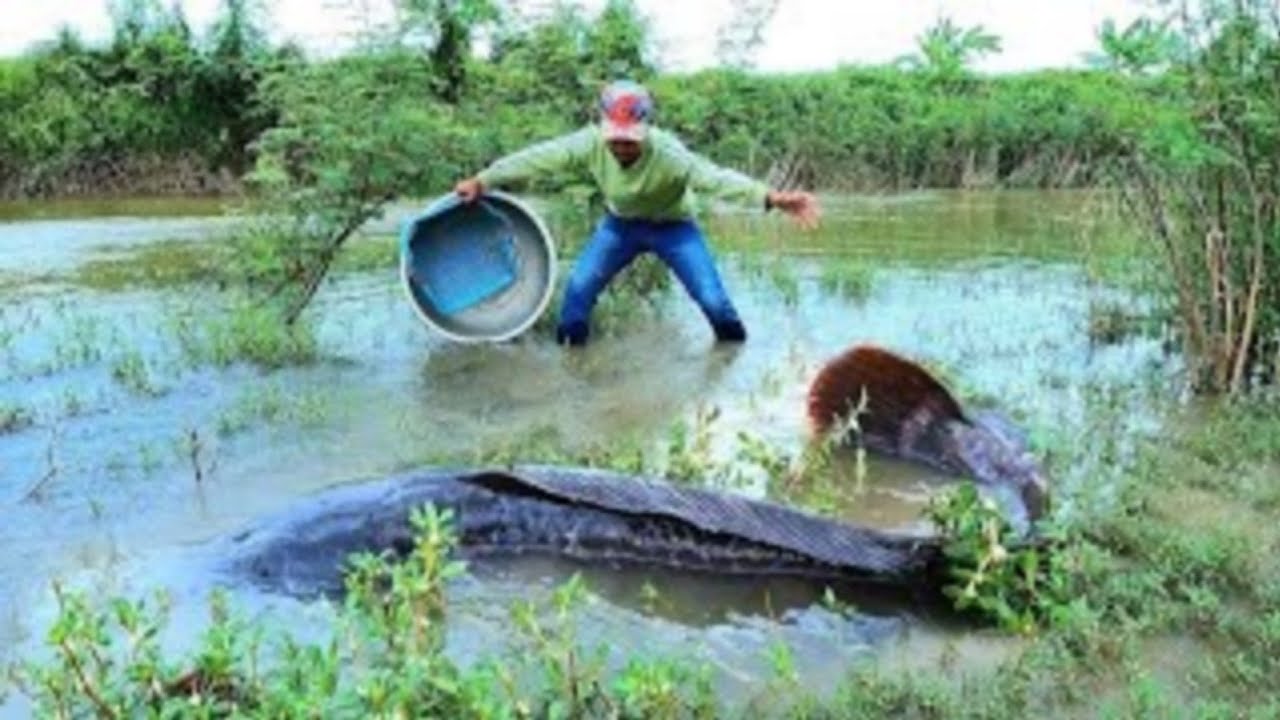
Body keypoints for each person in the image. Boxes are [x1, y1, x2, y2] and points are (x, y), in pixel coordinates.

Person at [453, 80, 820, 347]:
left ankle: (732, 357)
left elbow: (713, 178)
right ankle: (572, 364)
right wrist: (485, 180)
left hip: (675, 228)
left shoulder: (669, 154)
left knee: (713, 301)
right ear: (603, 128)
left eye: (631, 139)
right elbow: (539, 158)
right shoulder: (590, 143)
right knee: (578, 293)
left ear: (646, 130)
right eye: (615, 138)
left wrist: (770, 198)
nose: (623, 146)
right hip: (620, 228)